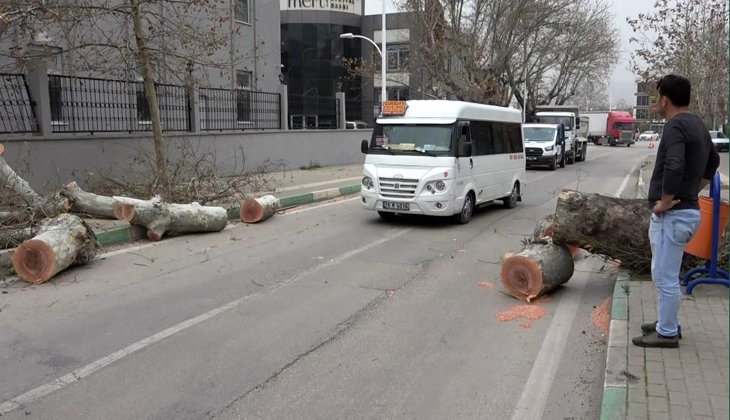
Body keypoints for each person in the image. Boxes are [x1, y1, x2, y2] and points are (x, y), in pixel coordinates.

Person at [632, 75, 720, 348]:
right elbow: (713, 161)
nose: (655, 101)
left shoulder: (675, 126)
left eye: (656, 96)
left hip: (673, 215)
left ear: (665, 99)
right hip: (686, 213)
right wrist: (694, 190)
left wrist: (666, 200)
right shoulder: (697, 125)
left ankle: (667, 332)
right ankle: (664, 322)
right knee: (664, 273)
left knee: (665, 276)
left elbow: (674, 163)